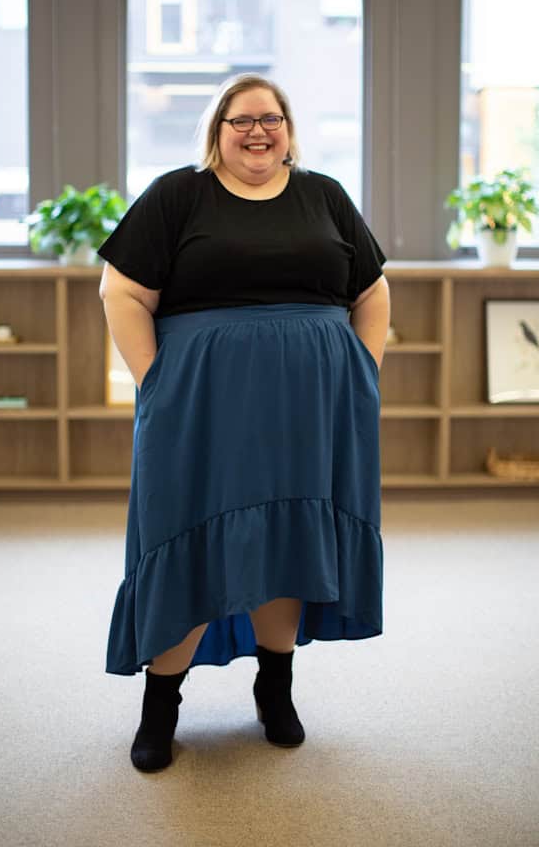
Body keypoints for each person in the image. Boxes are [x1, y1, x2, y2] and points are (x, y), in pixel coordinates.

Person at [98, 72, 390, 774]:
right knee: (186, 532)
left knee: (289, 534)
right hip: (201, 405)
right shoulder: (177, 194)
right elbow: (122, 292)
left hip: (311, 406)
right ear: (217, 131)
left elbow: (373, 290)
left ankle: (276, 686)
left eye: (271, 119)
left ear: (288, 128)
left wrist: (360, 376)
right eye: (242, 121)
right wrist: (158, 383)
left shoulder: (324, 196)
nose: (258, 132)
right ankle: (160, 707)